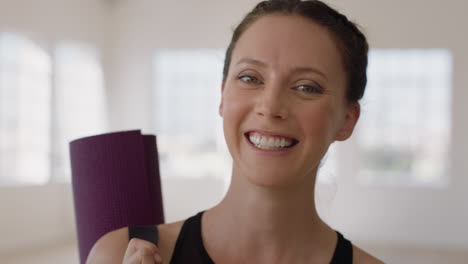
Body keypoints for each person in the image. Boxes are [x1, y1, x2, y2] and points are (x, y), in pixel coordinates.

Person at [87, 0, 384, 263]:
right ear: (223, 96)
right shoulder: (116, 255)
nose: (270, 106)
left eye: (307, 87)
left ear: (347, 120)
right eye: (250, 78)